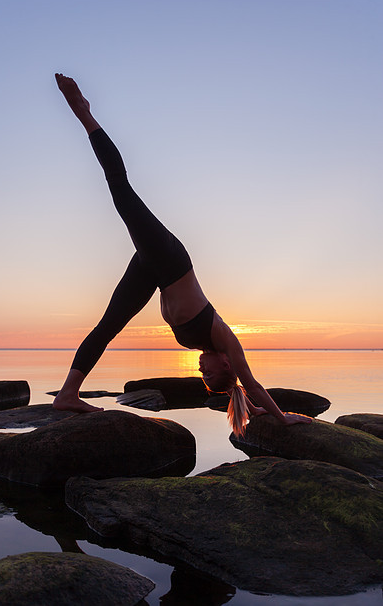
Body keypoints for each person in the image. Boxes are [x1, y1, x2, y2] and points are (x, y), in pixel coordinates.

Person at [53, 74, 311, 435]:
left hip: (152, 271)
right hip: (171, 261)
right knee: (121, 190)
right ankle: (83, 111)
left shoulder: (213, 352)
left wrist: (253, 411)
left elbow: (240, 391)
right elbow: (249, 383)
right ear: (226, 363)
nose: (200, 370)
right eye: (208, 372)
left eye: (201, 374)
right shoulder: (226, 339)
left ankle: (67, 394)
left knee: (107, 327)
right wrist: (283, 418)